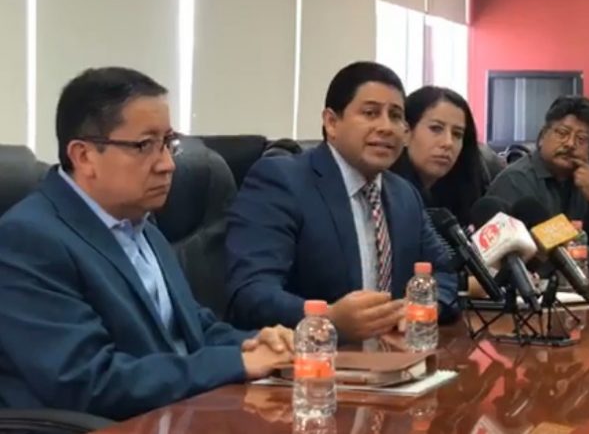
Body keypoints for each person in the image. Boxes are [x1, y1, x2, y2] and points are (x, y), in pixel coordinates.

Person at [0, 67, 293, 420]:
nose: (168, 164)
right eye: (144, 145)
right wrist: (236, 362)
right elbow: (88, 381)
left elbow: (192, 328)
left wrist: (257, 344)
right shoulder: (29, 240)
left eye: (168, 143)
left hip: (175, 415)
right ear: (84, 156)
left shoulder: (142, 225)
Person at [225, 61, 459, 340]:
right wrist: (327, 318)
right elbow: (250, 293)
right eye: (371, 113)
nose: (386, 127)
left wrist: (419, 307)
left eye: (396, 116)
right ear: (331, 123)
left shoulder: (404, 194)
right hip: (308, 357)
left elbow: (444, 273)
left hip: (393, 354)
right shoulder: (281, 181)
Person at [486, 95, 589, 268]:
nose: (570, 144)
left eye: (581, 139)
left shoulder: (586, 179)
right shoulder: (516, 181)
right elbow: (535, 256)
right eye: (562, 133)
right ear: (543, 136)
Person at [390, 86, 488, 226]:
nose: (448, 143)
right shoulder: (386, 196)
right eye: (436, 129)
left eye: (457, 134)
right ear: (406, 132)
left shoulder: (459, 195)